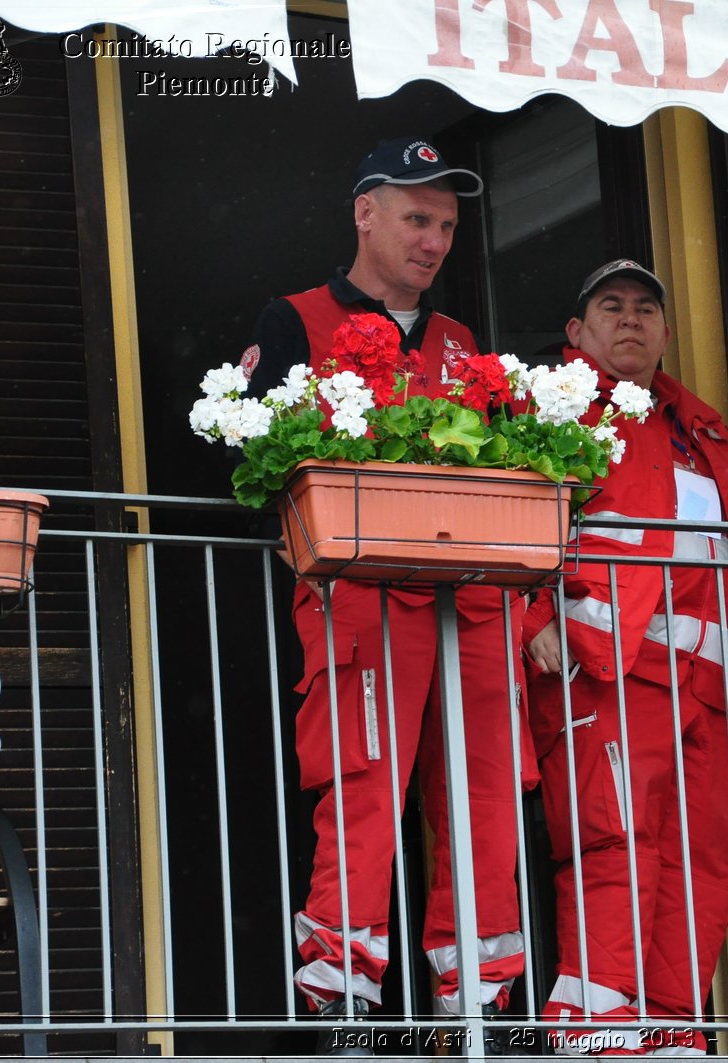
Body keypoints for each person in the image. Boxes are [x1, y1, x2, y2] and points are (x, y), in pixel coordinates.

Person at [242, 137, 530, 1050]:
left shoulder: (463, 343)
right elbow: (261, 463)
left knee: (485, 797)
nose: (435, 239)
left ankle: (475, 1005)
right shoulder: (294, 318)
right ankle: (342, 999)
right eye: (417, 217)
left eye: (446, 224)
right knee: (361, 791)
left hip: (472, 599)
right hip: (361, 593)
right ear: (366, 214)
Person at [523, 259, 728, 1056]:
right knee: (616, 843)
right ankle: (595, 1028)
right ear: (577, 331)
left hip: (708, 684)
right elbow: (506, 515)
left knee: (706, 861)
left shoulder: (703, 428)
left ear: (666, 331)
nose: (630, 319)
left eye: (645, 308)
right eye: (610, 305)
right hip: (609, 666)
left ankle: (669, 1027)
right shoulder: (552, 411)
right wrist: (531, 615)